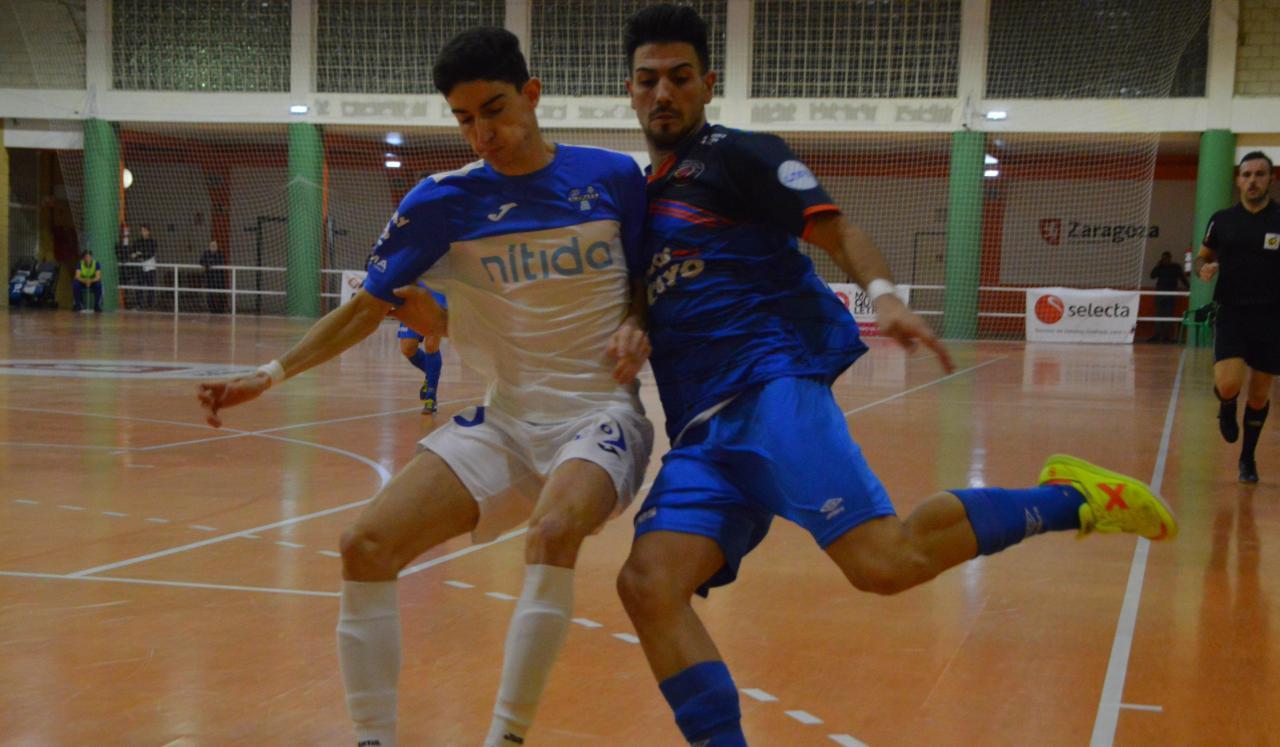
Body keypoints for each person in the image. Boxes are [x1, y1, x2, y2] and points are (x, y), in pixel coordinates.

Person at [610, 7, 1179, 746]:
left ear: (707, 83)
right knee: (648, 585)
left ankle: (1073, 497)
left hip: (770, 391)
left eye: (679, 78)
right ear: (629, 89)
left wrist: (885, 298)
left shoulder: (740, 157)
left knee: (886, 563)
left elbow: (838, 228)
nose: (664, 94)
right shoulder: (636, 202)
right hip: (699, 431)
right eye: (649, 80)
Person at [196, 28, 653, 747]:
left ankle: (505, 738)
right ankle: (373, 738)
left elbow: (649, 279)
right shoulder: (443, 200)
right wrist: (271, 373)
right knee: (365, 545)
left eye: (495, 110)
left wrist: (637, 322)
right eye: (465, 119)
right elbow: (365, 308)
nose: (483, 133)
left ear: (533, 96)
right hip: (507, 421)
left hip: (599, 415)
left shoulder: (615, 177)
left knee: (555, 530)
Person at [1197, 150, 1279, 484]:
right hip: (1232, 311)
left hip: (1273, 316)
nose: (1252, 181)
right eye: (1246, 175)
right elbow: (1201, 258)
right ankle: (1227, 405)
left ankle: (1247, 458)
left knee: (1259, 394)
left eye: (1260, 174)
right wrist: (1205, 269)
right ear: (1238, 180)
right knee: (1228, 383)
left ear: (1270, 178)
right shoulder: (1221, 219)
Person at [395, 281, 447, 413]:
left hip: (439, 291)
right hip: (415, 292)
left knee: (431, 345)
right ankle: (431, 376)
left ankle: (430, 398)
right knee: (407, 348)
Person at [1148, 250, 1189, 342]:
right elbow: (1152, 276)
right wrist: (1157, 265)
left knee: (1168, 314)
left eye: (1166, 258)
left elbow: (1182, 277)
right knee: (1159, 313)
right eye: (1163, 258)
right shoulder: (1160, 267)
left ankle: (1166, 336)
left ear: (1170, 258)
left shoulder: (1175, 267)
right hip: (1160, 292)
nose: (1164, 260)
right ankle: (1157, 335)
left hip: (1171, 292)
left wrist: (1188, 287)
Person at [131, 224, 158, 309]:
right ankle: (139, 304)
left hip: (150, 267)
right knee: (139, 286)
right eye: (141, 230)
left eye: (144, 230)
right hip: (140, 267)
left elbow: (150, 253)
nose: (142, 232)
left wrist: (140, 254)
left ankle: (150, 305)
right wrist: (139, 254)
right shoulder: (137, 242)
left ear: (148, 231)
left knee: (151, 287)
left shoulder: (152, 242)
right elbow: (133, 253)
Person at [198, 239, 228, 314]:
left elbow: (219, 262)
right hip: (209, 278)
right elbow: (201, 261)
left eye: (215, 246)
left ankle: (221, 310)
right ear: (209, 246)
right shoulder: (206, 253)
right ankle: (212, 310)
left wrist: (208, 264)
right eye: (212, 246)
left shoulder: (220, 254)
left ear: (217, 247)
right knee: (209, 295)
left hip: (219, 279)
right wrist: (208, 264)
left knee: (221, 294)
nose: (213, 247)